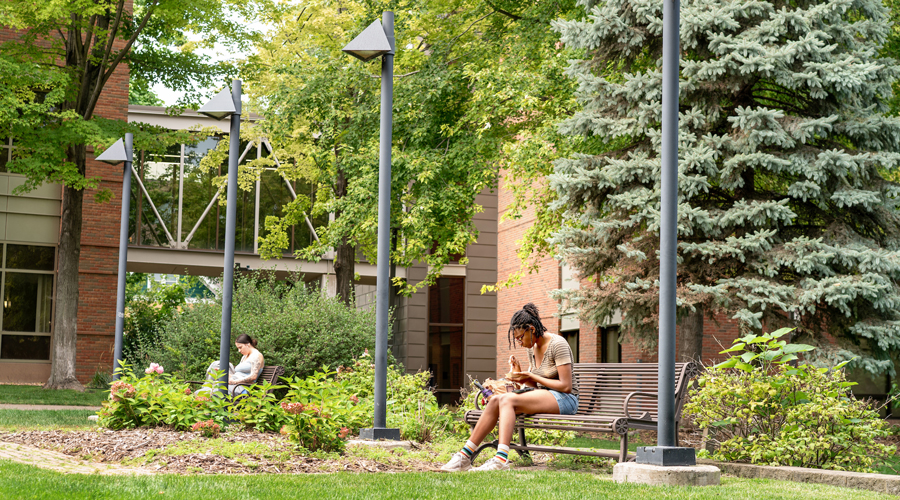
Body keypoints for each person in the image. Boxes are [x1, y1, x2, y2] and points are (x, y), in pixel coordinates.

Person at [441, 303, 578, 472]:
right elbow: (534, 388)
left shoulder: (558, 344)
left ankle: (501, 459)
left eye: (520, 337)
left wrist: (529, 375)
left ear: (532, 329)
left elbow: (566, 386)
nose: (519, 342)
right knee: (497, 400)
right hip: (547, 396)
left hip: (566, 400)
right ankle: (464, 457)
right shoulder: (532, 347)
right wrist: (519, 373)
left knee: (506, 400)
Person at [199, 334, 265, 396]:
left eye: (240, 347)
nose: (239, 350)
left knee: (211, 392)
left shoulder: (256, 356)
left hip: (241, 387)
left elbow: (253, 376)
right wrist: (223, 373)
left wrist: (234, 382)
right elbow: (238, 374)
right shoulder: (245, 357)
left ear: (248, 344)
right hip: (234, 384)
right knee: (206, 389)